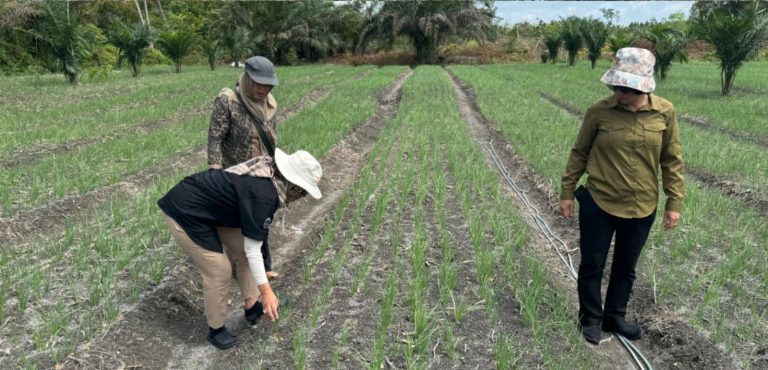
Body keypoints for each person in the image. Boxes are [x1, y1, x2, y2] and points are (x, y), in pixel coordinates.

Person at [559, 47, 685, 345]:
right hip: (599, 200)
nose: (619, 93)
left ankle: (615, 317)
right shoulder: (599, 111)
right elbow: (579, 152)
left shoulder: (665, 112)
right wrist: (567, 191)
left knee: (626, 267)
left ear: (643, 85)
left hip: (643, 203)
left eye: (626, 88)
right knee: (592, 263)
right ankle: (590, 318)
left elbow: (672, 159)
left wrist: (674, 201)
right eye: (615, 86)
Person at [158, 148, 323, 349]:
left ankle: (252, 308)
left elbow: (255, 239)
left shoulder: (270, 175)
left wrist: (265, 274)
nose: (302, 197)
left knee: (243, 252)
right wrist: (267, 292)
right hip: (185, 210)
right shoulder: (264, 194)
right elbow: (255, 249)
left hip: (213, 209)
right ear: (294, 185)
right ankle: (216, 329)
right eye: (304, 191)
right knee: (219, 271)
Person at [208, 55, 281, 280]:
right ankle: (239, 267)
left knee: (261, 218)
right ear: (247, 78)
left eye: (267, 84)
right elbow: (215, 137)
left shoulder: (269, 105)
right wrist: (215, 170)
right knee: (235, 221)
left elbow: (272, 137)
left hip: (260, 172)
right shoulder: (228, 100)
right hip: (235, 173)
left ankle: (265, 265)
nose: (262, 89)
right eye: (257, 83)